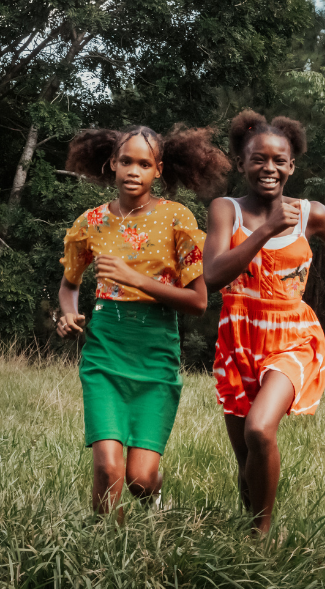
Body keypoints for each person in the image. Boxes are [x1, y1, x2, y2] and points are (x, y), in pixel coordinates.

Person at [203, 110, 325, 534]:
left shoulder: (312, 213)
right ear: (242, 163)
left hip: (292, 336)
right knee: (246, 463)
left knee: (259, 430)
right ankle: (252, 516)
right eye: (258, 159)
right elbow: (214, 276)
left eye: (279, 160)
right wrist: (266, 230)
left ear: (292, 166)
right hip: (238, 337)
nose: (269, 168)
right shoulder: (225, 211)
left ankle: (262, 535)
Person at [57, 124, 230, 515]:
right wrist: (68, 316)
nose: (134, 171)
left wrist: (136, 279)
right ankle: (106, 554)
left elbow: (199, 301)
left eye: (144, 163)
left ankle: (154, 497)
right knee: (108, 466)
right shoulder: (91, 223)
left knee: (138, 478)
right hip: (105, 351)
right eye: (126, 162)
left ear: (159, 170)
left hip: (155, 355)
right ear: (112, 165)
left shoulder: (177, 219)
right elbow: (69, 285)